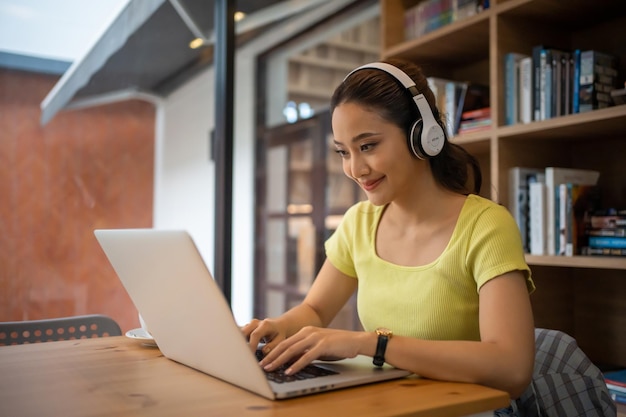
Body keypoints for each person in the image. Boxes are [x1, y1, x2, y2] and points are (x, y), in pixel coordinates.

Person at [243, 58, 536, 405]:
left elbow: (512, 367)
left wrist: (372, 344)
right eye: (343, 152)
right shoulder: (359, 223)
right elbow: (316, 310)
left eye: (368, 146)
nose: (355, 168)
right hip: (382, 404)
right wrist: (278, 327)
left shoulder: (486, 226)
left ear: (422, 136)